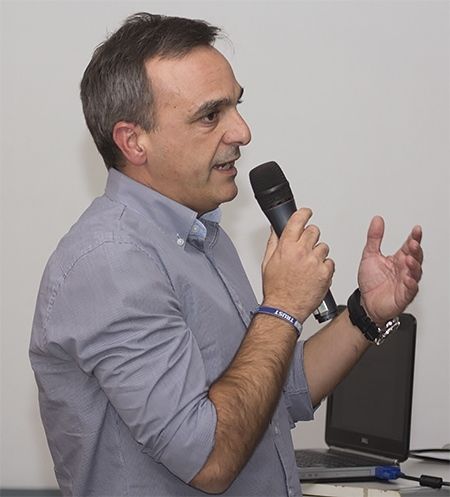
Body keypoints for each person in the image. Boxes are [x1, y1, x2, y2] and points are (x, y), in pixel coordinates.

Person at [29, 12, 423, 497]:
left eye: (237, 105)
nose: (242, 131)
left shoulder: (201, 236)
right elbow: (210, 458)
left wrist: (365, 314)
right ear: (134, 141)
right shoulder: (110, 264)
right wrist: (282, 307)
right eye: (210, 115)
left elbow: (271, 396)